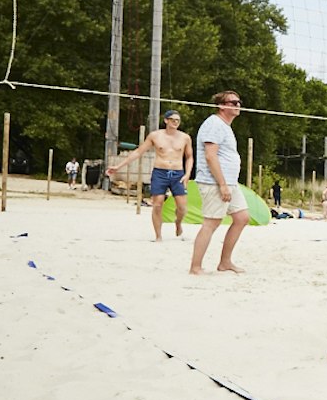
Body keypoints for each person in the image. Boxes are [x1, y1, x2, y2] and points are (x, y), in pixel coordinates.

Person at [106, 109, 195, 242]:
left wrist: (187, 174)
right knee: (157, 204)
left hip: (178, 173)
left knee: (182, 207)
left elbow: (189, 157)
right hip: (160, 172)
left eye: (178, 120)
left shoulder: (185, 137)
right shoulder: (155, 136)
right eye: (173, 120)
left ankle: (178, 223)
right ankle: (158, 236)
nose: (175, 122)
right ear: (166, 120)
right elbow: (138, 152)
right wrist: (118, 166)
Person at [189, 91, 251, 275]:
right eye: (233, 102)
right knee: (211, 222)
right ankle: (195, 267)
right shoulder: (214, 124)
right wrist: (222, 184)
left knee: (242, 217)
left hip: (230, 182)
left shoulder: (225, 126)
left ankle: (225, 262)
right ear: (221, 105)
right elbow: (210, 156)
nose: (237, 105)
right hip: (214, 182)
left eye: (239, 102)